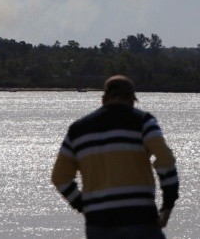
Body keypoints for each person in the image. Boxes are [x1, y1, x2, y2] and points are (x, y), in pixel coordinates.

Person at [52, 75, 179, 239]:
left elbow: (59, 178)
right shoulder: (143, 121)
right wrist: (167, 207)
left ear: (103, 99)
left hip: (98, 224)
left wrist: (83, 205)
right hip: (140, 218)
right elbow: (166, 160)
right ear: (132, 99)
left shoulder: (77, 130)